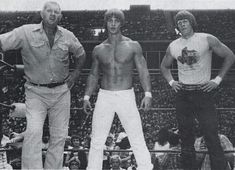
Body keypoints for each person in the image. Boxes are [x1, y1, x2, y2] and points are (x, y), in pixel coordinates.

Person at [0, 1, 86, 169]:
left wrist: (75, 74)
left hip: (62, 90)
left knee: (60, 136)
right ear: (42, 13)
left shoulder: (68, 35)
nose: (52, 14)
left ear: (60, 16)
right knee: (33, 132)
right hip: (35, 91)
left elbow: (81, 54)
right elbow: (2, 42)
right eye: (49, 11)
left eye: (56, 12)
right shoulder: (25, 32)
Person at [160, 10, 235, 170]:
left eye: (185, 20)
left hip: (203, 91)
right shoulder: (173, 45)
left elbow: (229, 55)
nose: (182, 24)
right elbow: (164, 66)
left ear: (192, 22)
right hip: (183, 93)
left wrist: (217, 80)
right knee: (186, 138)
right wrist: (172, 82)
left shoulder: (206, 38)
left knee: (211, 135)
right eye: (179, 22)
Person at [83, 8, 153, 170]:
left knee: (136, 137)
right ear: (106, 23)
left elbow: (143, 70)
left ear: (121, 23)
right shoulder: (99, 49)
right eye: (110, 20)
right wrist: (87, 96)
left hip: (126, 95)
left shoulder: (133, 45)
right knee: (97, 140)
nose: (113, 24)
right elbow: (93, 75)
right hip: (104, 96)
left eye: (116, 21)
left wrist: (147, 93)